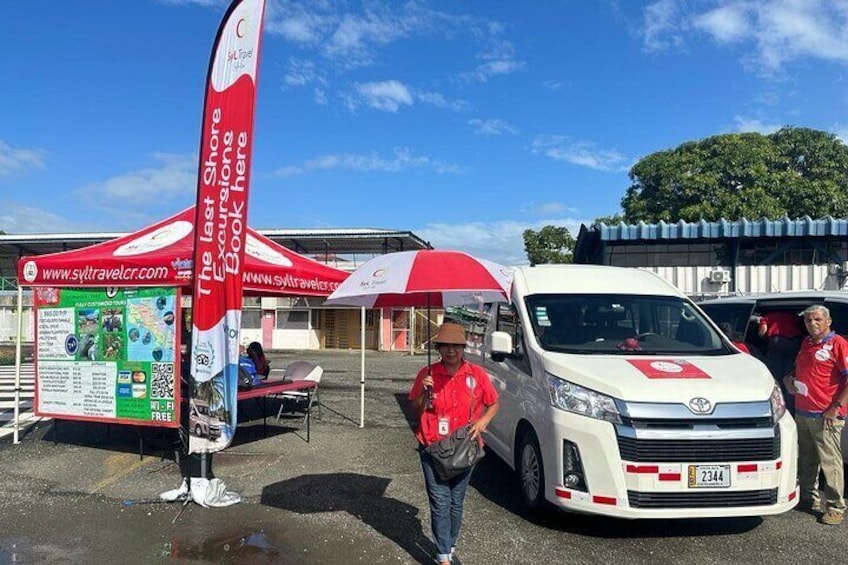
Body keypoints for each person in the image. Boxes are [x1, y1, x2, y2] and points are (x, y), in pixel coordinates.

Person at [409, 323, 499, 565]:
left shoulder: (476, 374)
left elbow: (493, 403)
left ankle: (449, 544)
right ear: (438, 348)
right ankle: (443, 557)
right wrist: (423, 393)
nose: (451, 351)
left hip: (464, 447)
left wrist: (482, 422)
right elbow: (415, 409)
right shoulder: (426, 374)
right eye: (446, 346)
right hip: (432, 447)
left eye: (456, 346)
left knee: (456, 502)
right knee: (439, 501)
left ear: (463, 348)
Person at [783, 305, 848, 525]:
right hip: (803, 411)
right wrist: (789, 379)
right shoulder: (806, 343)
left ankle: (835, 507)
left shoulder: (838, 344)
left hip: (826, 414)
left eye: (818, 319)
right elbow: (799, 370)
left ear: (828, 321)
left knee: (830, 462)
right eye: (809, 320)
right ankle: (808, 496)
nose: (813, 324)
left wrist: (836, 407)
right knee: (807, 458)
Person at [759, 310, 804, 411]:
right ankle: (791, 408)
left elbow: (762, 331)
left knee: (776, 377)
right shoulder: (792, 315)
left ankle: (780, 408)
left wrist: (763, 338)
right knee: (790, 377)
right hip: (794, 342)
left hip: (777, 343)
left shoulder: (767, 317)